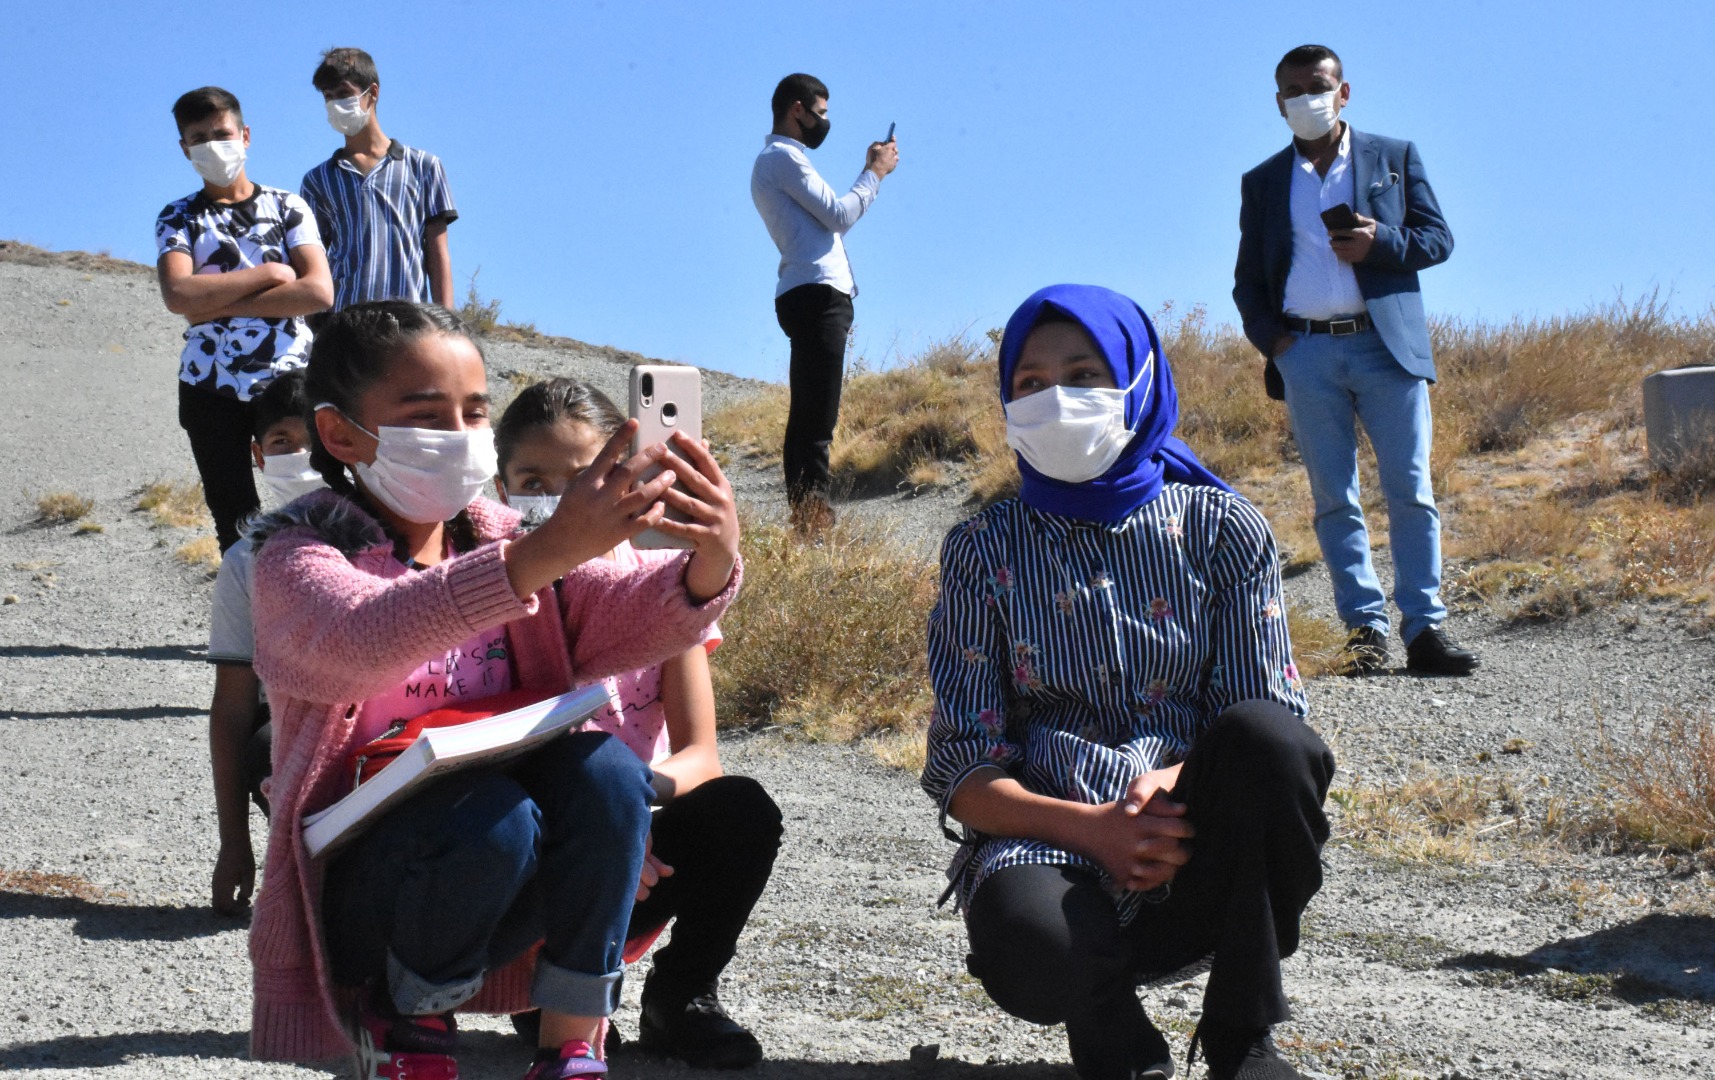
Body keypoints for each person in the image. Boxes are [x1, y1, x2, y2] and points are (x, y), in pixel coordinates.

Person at [244, 302, 743, 1080]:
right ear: (339, 435)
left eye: (474, 411)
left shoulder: (502, 535)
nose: (460, 431)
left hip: (506, 873)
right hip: (365, 903)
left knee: (608, 771)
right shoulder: (295, 556)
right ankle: (406, 1022)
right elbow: (359, 639)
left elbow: (621, 627)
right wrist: (540, 555)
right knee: (494, 817)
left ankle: (572, 1043)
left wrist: (710, 559)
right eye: (426, 413)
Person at [921, 285, 1335, 1080]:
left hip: (1192, 841)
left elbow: (1267, 717)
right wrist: (1095, 827)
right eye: (1031, 384)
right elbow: (963, 771)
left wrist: (1166, 793)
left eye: (1084, 374)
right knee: (1030, 942)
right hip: (1048, 843)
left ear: (1138, 382)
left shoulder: (1220, 528)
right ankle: (1110, 1031)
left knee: (1273, 746)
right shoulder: (983, 548)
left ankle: (1241, 1035)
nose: (1057, 401)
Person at [493, 377, 784, 1068]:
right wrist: (593, 831)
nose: (563, 500)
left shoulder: (664, 589)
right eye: (535, 479)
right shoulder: (490, 587)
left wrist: (628, 820)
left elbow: (700, 756)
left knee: (740, 810)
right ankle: (528, 989)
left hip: (634, 830)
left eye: (584, 478)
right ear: (500, 489)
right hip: (535, 851)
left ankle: (680, 996)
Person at [1233, 44, 1478, 677]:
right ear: (1278, 103)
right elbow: (1247, 280)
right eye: (1292, 92)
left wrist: (1379, 242)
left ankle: (1425, 630)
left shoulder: (1392, 157)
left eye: (1317, 87)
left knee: (1411, 491)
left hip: (1385, 346)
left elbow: (1437, 239)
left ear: (1343, 92)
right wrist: (1274, 341)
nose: (1305, 100)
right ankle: (1363, 632)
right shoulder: (1262, 182)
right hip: (1305, 352)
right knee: (1334, 498)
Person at [155, 86, 334, 552]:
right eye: (198, 137)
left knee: (316, 496)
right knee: (232, 516)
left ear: (245, 134)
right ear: (183, 148)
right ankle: (252, 614)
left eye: (221, 133)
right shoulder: (178, 217)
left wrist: (213, 304)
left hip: (290, 377)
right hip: (208, 383)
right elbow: (178, 293)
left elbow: (317, 290)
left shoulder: (288, 207)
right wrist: (273, 275)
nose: (212, 145)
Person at [750, 72, 899, 535]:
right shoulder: (782, 159)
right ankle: (812, 517)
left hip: (809, 291)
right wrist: (874, 172)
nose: (824, 122)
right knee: (817, 414)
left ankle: (808, 515)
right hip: (815, 293)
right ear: (798, 109)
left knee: (811, 409)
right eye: (822, 113)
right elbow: (839, 214)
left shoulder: (778, 161)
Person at [207, 370, 326, 916]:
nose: (300, 457)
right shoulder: (244, 563)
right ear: (258, 455)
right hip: (295, 730)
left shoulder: (394, 532)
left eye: (313, 442)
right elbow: (233, 704)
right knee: (270, 747)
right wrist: (235, 844)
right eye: (283, 443)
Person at [300, 47, 457, 310]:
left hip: (408, 322)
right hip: (344, 323)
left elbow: (437, 254)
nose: (336, 104)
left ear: (372, 93)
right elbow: (313, 262)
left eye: (343, 94)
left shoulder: (423, 167)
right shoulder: (318, 181)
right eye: (328, 97)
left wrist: (448, 326)